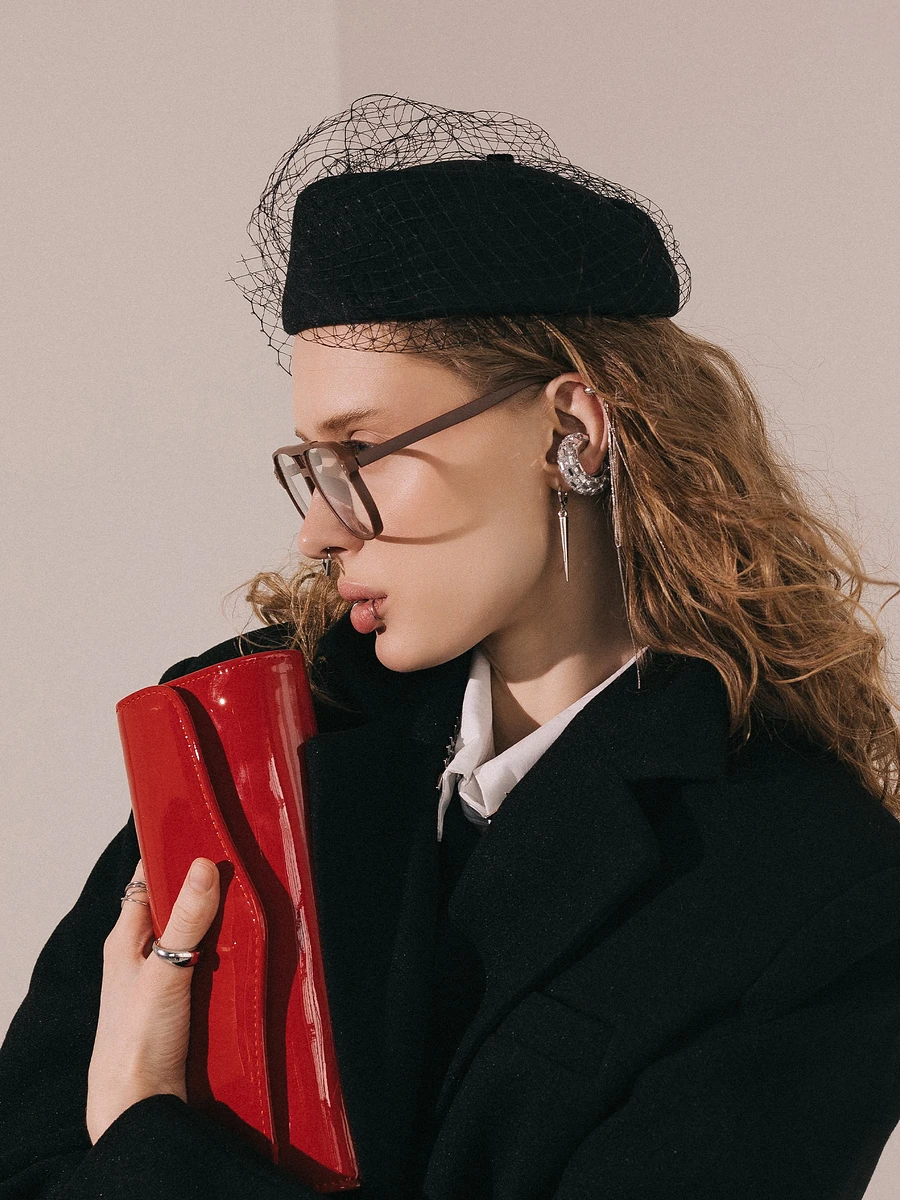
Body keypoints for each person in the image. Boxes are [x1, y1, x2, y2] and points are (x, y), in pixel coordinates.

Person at [2, 93, 900, 1200]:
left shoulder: (811, 888)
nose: (318, 528)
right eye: (311, 462)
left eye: (364, 450)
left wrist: (145, 1132)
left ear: (573, 432)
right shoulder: (246, 735)